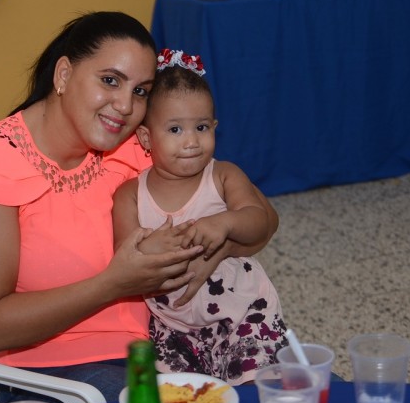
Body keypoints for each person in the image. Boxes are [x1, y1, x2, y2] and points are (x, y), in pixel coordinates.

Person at [0, 12, 278, 403]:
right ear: (64, 74)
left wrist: (214, 249)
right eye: (110, 81)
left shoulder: (134, 144)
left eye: (140, 91)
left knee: (301, 398)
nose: (125, 106)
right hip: (57, 369)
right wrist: (112, 284)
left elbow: (264, 219)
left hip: (173, 344)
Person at [112, 49, 287, 385]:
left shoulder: (223, 175)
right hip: (171, 326)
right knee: (189, 399)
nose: (192, 141)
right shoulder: (130, 194)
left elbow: (260, 222)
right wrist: (151, 248)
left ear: (215, 127)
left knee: (256, 389)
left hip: (243, 313)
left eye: (202, 127)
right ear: (146, 137)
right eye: (175, 129)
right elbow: (124, 257)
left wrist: (226, 222)